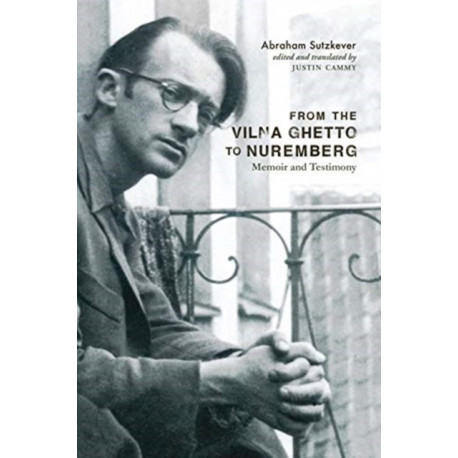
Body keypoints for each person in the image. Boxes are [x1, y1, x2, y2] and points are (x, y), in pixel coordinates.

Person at [77, 16, 331, 458]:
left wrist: (253, 367)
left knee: (245, 437)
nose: (191, 125)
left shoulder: (115, 207)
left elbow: (156, 326)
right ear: (110, 88)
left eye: (206, 113)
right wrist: (226, 380)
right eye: (173, 94)